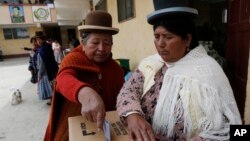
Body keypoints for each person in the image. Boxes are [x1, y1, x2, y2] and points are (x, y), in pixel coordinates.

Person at [116, 0, 242, 141]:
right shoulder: (151, 64)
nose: (160, 44)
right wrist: (133, 114)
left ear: (187, 39)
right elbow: (128, 90)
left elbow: (233, 129)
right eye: (157, 37)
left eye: (168, 37)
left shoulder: (208, 72)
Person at [44, 11, 125, 141]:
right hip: (74, 133)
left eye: (107, 43)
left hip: (106, 132)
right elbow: (63, 79)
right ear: (83, 43)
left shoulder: (115, 69)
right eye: (95, 42)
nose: (102, 48)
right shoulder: (73, 59)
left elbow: (123, 97)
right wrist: (84, 92)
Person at [35, 31, 58, 105]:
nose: (37, 42)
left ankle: (53, 101)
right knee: (53, 86)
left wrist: (39, 74)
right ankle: (53, 100)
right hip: (53, 69)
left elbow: (42, 64)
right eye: (37, 40)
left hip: (46, 72)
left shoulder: (42, 50)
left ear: (42, 39)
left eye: (38, 40)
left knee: (50, 88)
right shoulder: (48, 46)